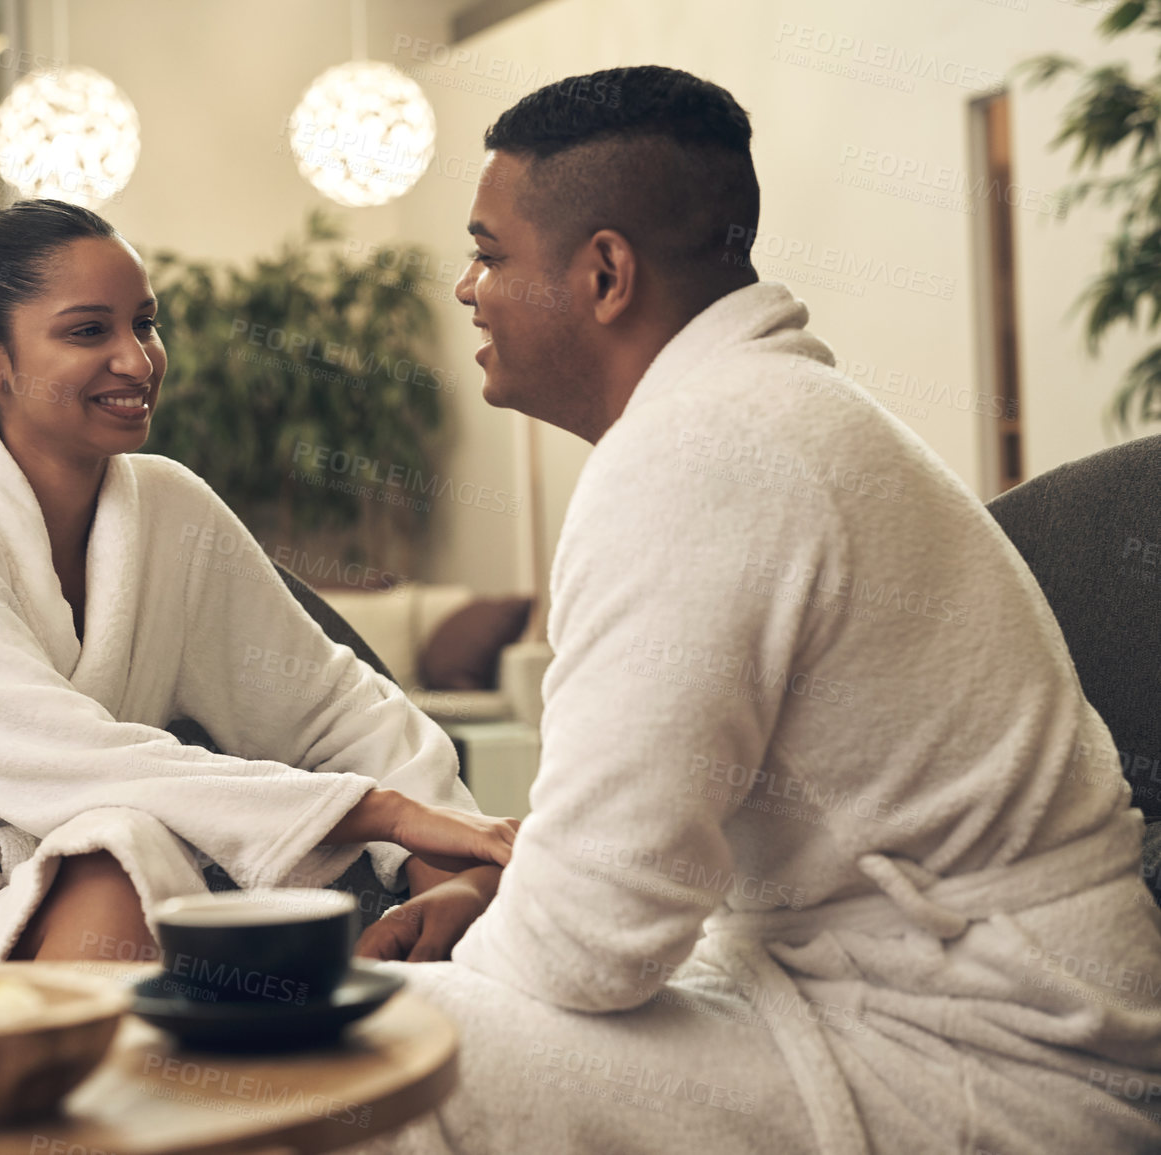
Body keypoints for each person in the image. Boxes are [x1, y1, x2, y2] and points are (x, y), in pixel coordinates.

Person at [353, 65, 1161, 1154]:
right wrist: (512, 899)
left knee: (366, 1055)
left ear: (604, 274)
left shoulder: (700, 452)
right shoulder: (759, 414)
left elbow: (584, 952)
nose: (466, 289)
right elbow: (635, 869)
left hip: (1002, 1063)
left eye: (491, 255)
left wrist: (488, 958)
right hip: (905, 1002)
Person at [0, 176, 515, 964]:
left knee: (115, 845)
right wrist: (378, 813)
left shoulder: (170, 509)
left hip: (85, 872)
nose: (136, 359)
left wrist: (452, 867)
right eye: (89, 331)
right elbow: (49, 750)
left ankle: (131, 1079)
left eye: (146, 324)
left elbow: (332, 707)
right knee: (120, 840)